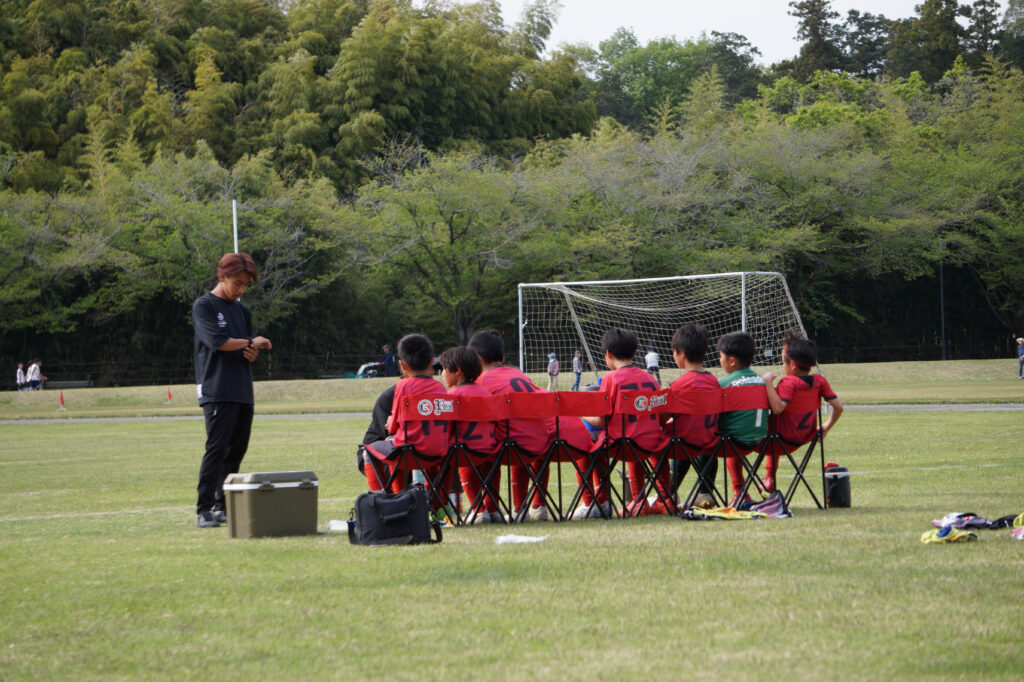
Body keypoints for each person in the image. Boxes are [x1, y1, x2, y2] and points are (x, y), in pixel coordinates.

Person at [192, 252, 272, 528]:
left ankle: (224, 506)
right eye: (237, 283)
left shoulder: (242, 310)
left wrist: (252, 352)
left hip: (242, 388)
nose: (241, 290)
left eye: (246, 285)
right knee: (216, 449)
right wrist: (251, 340)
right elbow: (218, 341)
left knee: (237, 450)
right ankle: (203, 509)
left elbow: (242, 348)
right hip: (217, 388)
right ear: (221, 276)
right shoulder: (204, 306)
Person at [469, 330, 552, 522]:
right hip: (538, 445)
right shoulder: (519, 374)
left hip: (508, 448)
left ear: (475, 358)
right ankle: (527, 507)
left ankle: (488, 510)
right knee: (520, 437)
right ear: (503, 357)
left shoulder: (481, 381)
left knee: (478, 445)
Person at [584, 327, 669, 517]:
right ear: (635, 353)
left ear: (608, 354)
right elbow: (663, 416)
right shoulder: (650, 378)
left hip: (622, 444)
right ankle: (665, 498)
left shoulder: (610, 379)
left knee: (592, 443)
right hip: (652, 444)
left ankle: (611, 499)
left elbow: (602, 420)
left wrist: (582, 414)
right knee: (635, 435)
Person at [363, 333, 449, 495]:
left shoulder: (403, 386)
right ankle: (435, 502)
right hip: (438, 451)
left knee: (370, 450)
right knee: (397, 447)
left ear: (402, 365)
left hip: (410, 452)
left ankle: (388, 499)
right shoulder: (440, 388)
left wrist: (391, 422)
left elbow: (394, 426)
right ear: (431, 362)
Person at [762, 336, 844, 494]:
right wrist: (826, 427)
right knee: (776, 433)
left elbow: (778, 408)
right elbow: (838, 408)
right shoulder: (819, 381)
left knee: (736, 440)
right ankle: (769, 477)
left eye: (782, 361)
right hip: (803, 438)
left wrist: (767, 383)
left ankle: (740, 491)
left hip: (779, 439)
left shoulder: (789, 382)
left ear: (792, 365)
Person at [438, 346, 502, 524]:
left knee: (460, 455)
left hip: (464, 451)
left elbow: (444, 428)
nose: (442, 374)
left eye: (444, 369)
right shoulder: (487, 394)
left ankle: (478, 510)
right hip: (490, 449)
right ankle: (493, 508)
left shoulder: (452, 396)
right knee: (489, 465)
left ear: (457, 371)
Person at [662, 324, 721, 509]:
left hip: (683, 442)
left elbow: (664, 415)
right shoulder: (714, 382)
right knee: (698, 439)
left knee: (672, 437)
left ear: (681, 354)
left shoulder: (680, 384)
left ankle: (667, 493)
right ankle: (705, 491)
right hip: (710, 441)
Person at [716, 331, 770, 506]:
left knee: (706, 439)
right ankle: (746, 490)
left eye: (720, 356)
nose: (719, 360)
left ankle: (707, 493)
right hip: (761, 440)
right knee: (735, 431)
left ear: (731, 360)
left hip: (733, 442)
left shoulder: (724, 384)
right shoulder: (762, 381)